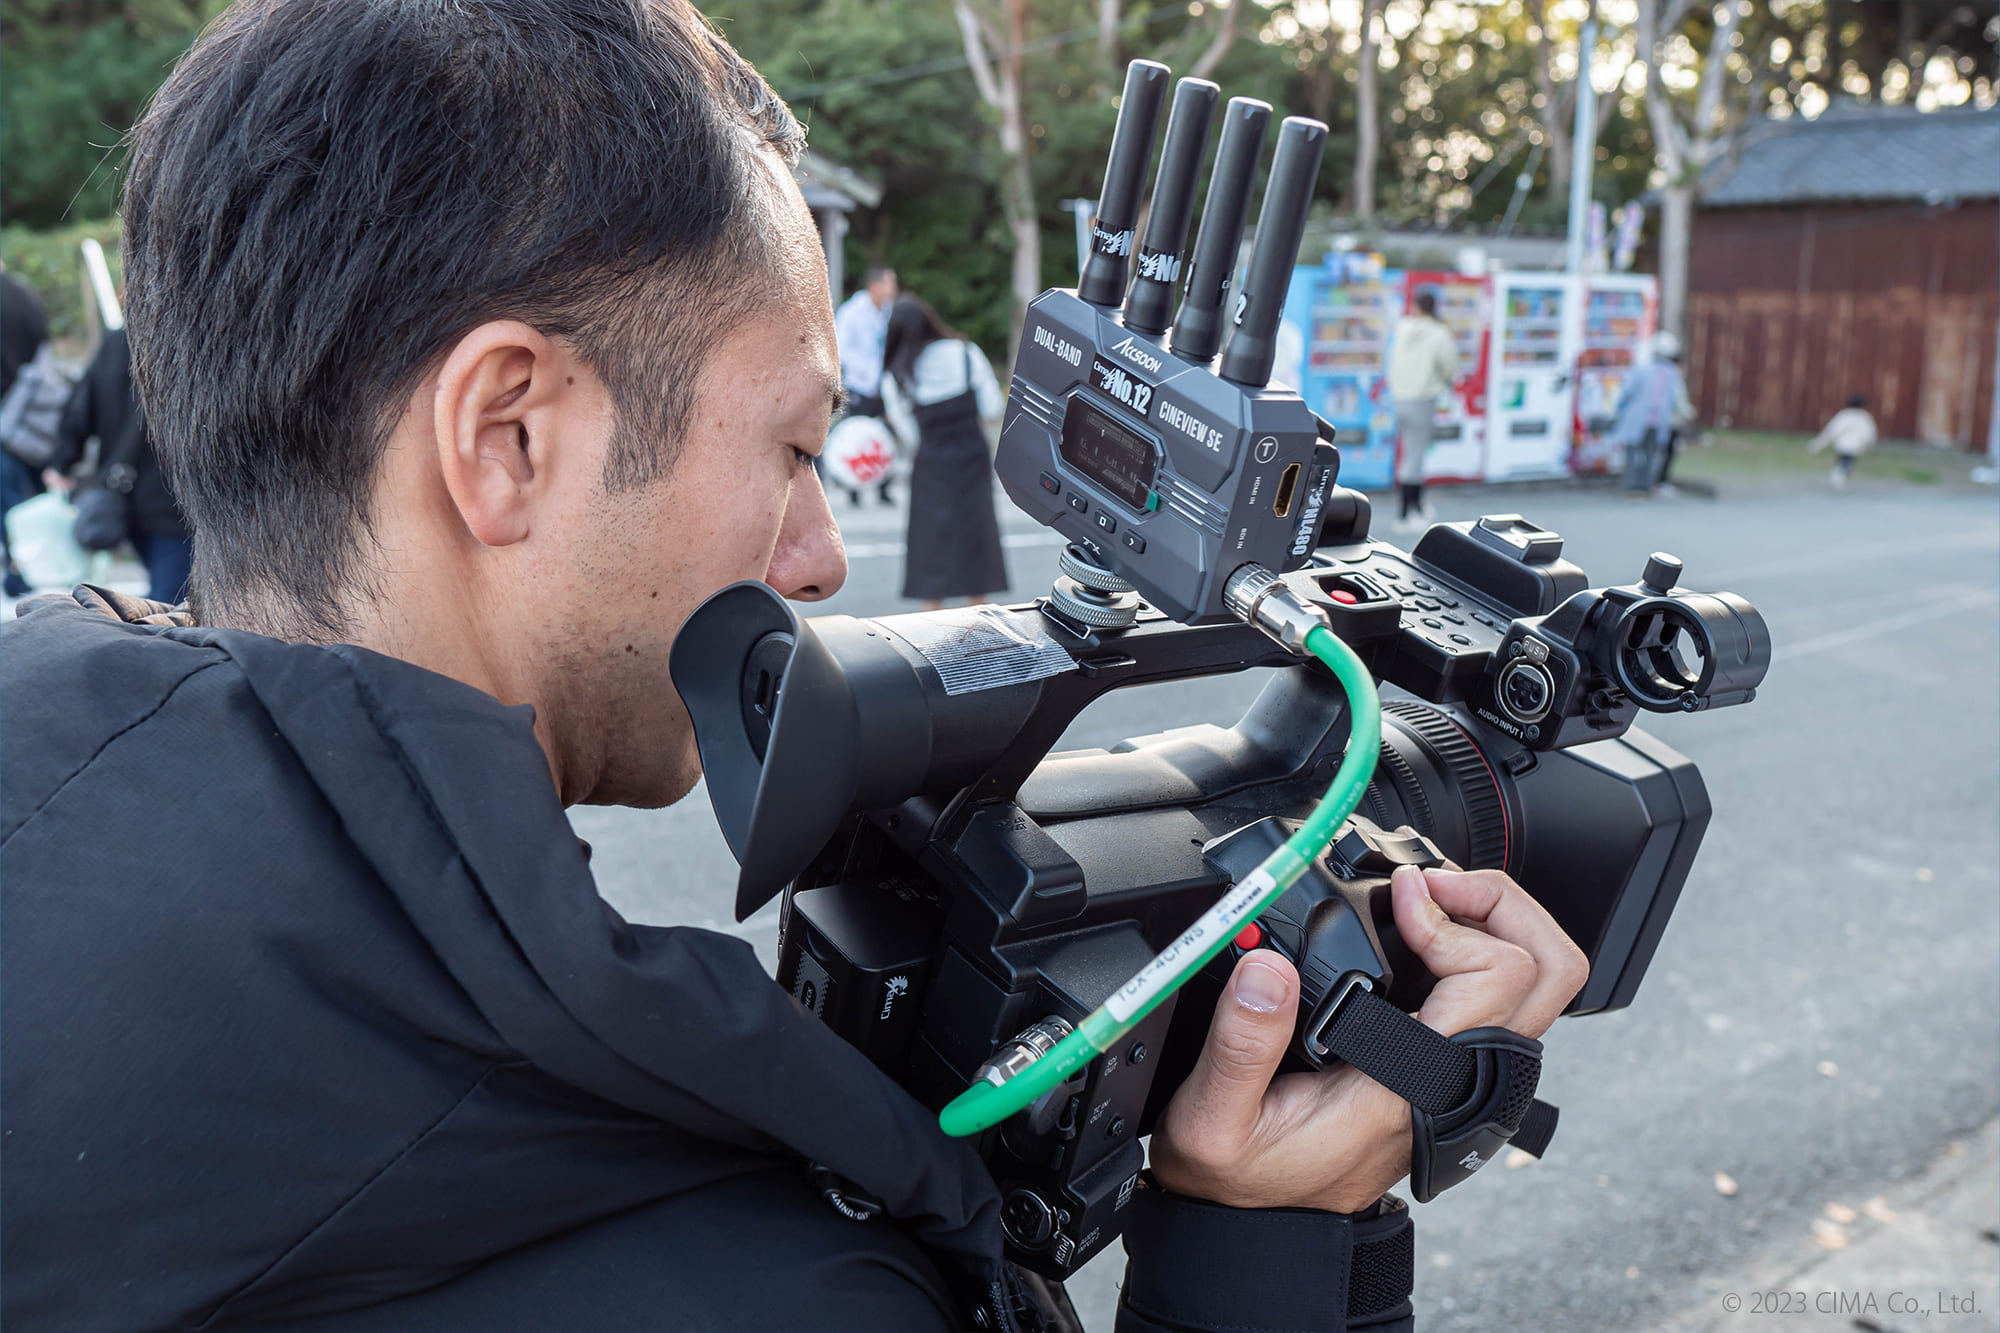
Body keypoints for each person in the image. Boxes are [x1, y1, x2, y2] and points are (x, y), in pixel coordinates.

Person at [0, 3, 1586, 1330]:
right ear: (508, 438)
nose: (822, 555)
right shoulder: (780, 1284)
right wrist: (1265, 1233)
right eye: (794, 447)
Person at [42, 325, 193, 603]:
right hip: (174, 497)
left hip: (124, 490)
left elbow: (80, 409)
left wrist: (61, 463)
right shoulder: (190, 339)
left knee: (165, 590)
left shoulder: (117, 341)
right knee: (174, 597)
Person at [881, 295, 1009, 610]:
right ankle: (979, 619)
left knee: (930, 543)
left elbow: (908, 433)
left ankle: (933, 626)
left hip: (931, 462)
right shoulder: (965, 352)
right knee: (976, 534)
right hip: (972, 456)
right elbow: (992, 406)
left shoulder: (896, 374)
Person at [1387, 289, 1458, 530]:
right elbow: (1449, 366)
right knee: (1415, 457)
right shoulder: (1439, 334)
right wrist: (1447, 382)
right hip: (1423, 398)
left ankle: (1417, 507)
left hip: (1399, 398)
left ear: (1416, 306)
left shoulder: (1402, 329)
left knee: (1409, 453)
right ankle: (1406, 515)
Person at [1, 269, 51, 596]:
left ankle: (21, 575)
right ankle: (44, 571)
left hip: (4, 425)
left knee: (11, 509)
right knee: (35, 502)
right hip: (34, 419)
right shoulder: (26, 294)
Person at [1610, 331, 1695, 496]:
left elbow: (1627, 392)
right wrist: (1687, 413)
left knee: (1633, 454)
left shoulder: (1641, 369)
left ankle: (1632, 487)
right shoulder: (1673, 374)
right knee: (1651, 455)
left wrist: (1619, 409)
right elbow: (1677, 399)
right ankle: (1645, 487)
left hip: (1636, 419)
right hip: (1658, 421)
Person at [1808, 392, 1878, 490]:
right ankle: (1839, 476)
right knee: (1848, 461)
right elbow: (1869, 432)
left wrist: (1820, 443)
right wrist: (1870, 443)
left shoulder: (1844, 415)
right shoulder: (1864, 417)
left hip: (1842, 444)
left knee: (1843, 460)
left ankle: (1839, 475)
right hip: (1856, 445)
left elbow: (1833, 430)